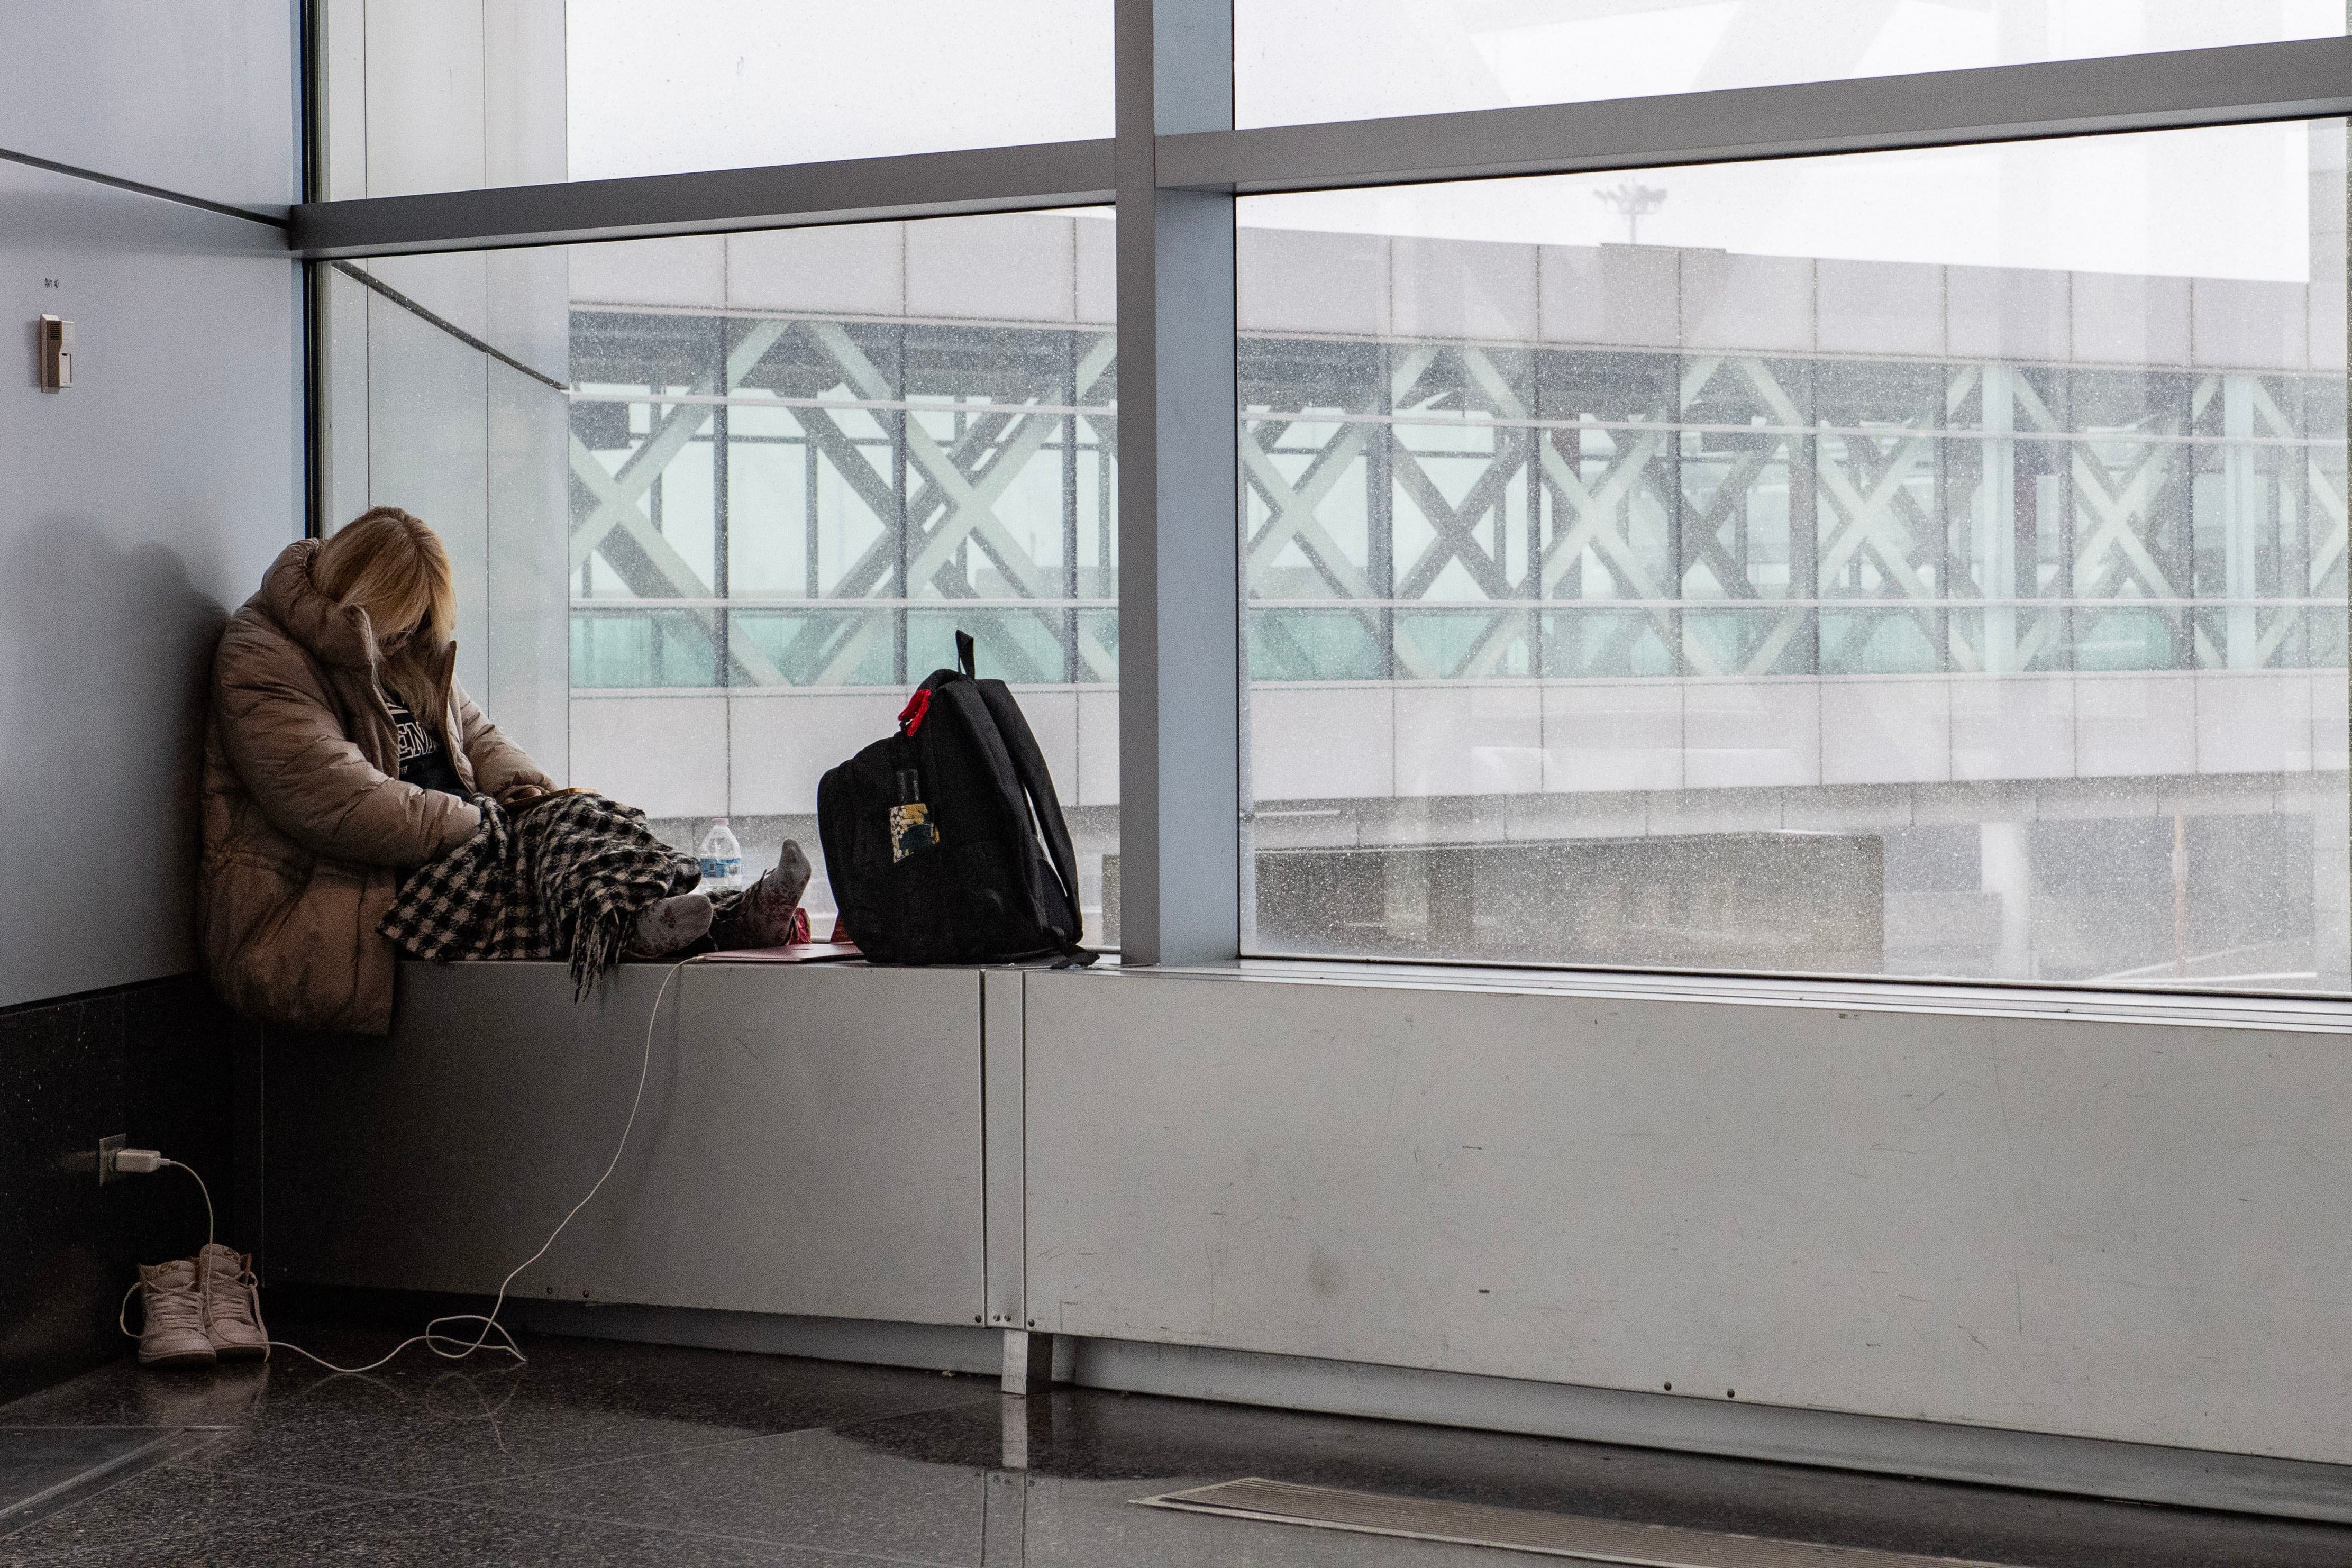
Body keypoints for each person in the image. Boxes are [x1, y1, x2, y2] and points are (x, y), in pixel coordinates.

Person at [199, 507, 805, 1035]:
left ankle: (715, 915)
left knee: (573, 816)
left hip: (438, 849)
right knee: (532, 866)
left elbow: (478, 737)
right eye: (400, 621)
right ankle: (659, 928)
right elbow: (333, 797)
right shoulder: (263, 653)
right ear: (363, 598)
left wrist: (528, 793)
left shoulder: (399, 646)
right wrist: (472, 823)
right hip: (352, 887)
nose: (409, 638)